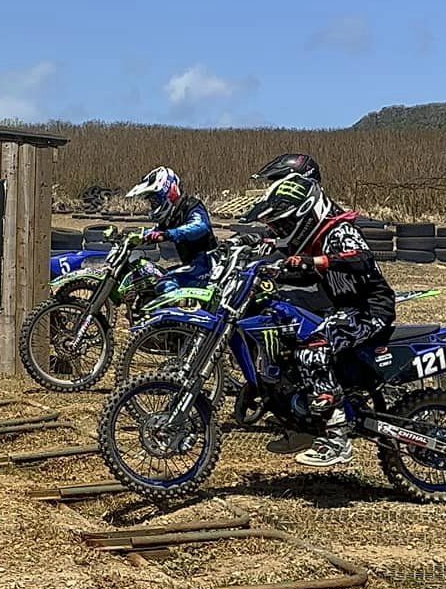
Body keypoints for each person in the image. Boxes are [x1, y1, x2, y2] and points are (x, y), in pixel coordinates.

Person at [243, 166, 395, 469]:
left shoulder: (340, 230)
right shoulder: (315, 237)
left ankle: (337, 441)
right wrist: (274, 267)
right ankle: (304, 424)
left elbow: (362, 259)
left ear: (306, 213)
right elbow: (307, 273)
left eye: (286, 225)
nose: (283, 232)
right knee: (286, 336)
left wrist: (316, 260)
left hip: (370, 310)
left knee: (314, 349)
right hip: (342, 309)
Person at [125, 167, 217, 287]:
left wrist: (168, 234)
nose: (153, 205)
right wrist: (135, 236)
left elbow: (200, 226)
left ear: (170, 191)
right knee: (148, 277)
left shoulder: (192, 206)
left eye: (155, 200)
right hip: (190, 265)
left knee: (165, 285)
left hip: (206, 266)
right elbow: (156, 231)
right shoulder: (172, 216)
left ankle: (178, 306)